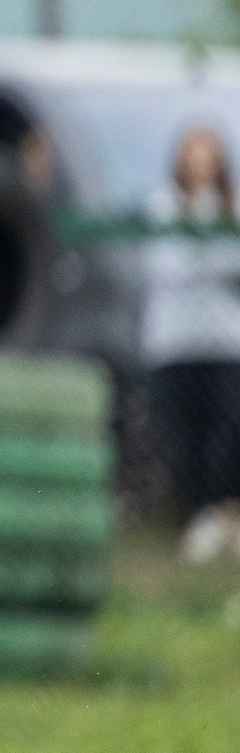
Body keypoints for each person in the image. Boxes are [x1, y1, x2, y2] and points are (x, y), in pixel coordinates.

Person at [141, 122, 240, 561]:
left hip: (224, 341)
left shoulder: (231, 205)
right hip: (172, 341)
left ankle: (218, 517)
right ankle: (208, 517)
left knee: (226, 431)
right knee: (180, 433)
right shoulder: (161, 204)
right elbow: (165, 266)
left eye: (207, 153)